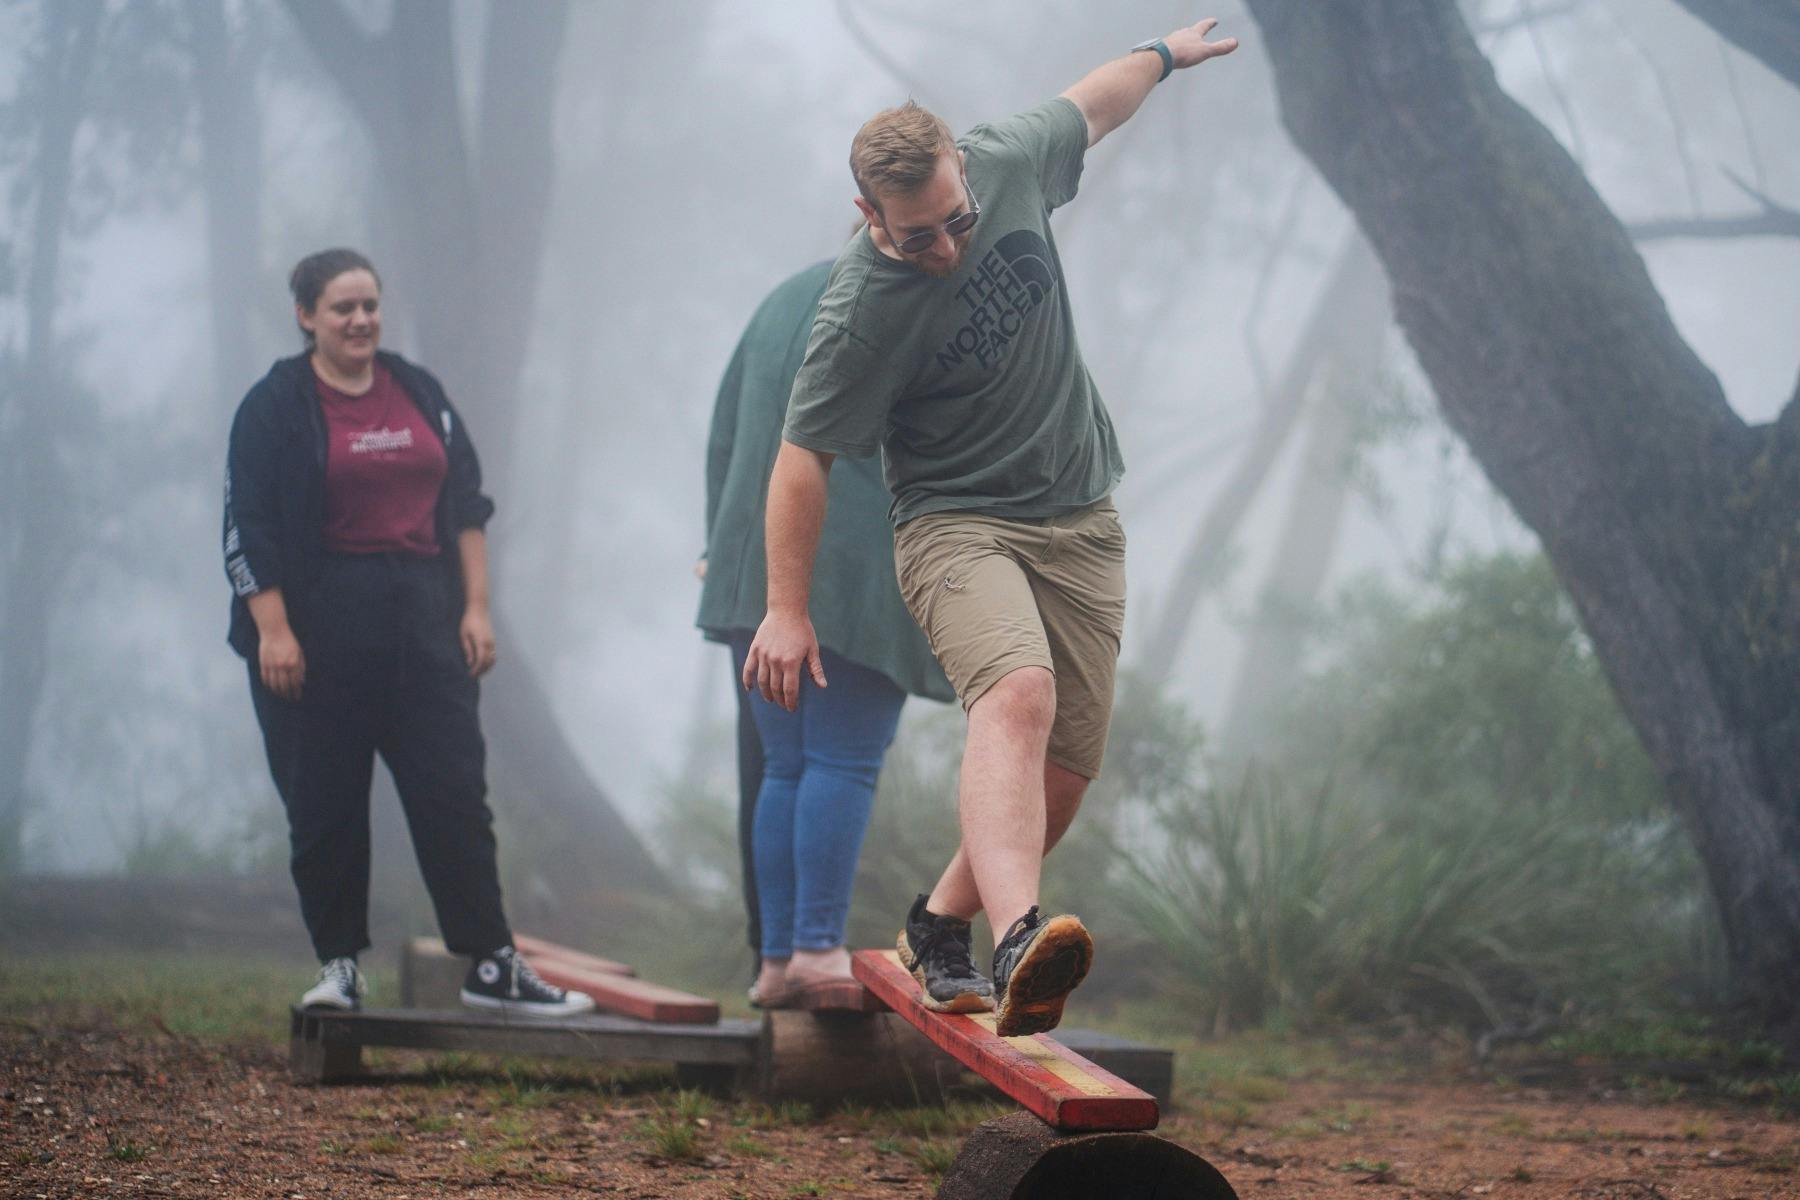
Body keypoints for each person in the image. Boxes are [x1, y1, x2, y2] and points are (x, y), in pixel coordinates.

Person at [744, 21, 1240, 1035]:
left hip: (1079, 511)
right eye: (916, 233)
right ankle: (1020, 937)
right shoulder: (854, 317)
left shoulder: (1006, 161)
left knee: (1064, 771)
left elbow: (1094, 104)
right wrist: (786, 609)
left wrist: (1163, 53)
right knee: (1017, 695)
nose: (945, 247)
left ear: (963, 174)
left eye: (955, 222)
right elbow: (802, 460)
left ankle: (937, 926)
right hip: (955, 524)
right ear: (867, 213)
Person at [223, 247, 594, 1018]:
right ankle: (339, 969)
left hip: (424, 624)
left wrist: (478, 609)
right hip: (319, 633)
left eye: (370, 306)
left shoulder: (418, 391)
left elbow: (467, 504)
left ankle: (492, 963)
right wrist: (274, 632)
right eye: (342, 309)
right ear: (306, 318)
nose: (360, 321)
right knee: (324, 806)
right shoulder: (275, 405)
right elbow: (246, 526)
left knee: (455, 794)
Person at [699, 261, 956, 1008]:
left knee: (786, 768)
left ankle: (779, 962)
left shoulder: (779, 298)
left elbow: (723, 435)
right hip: (849, 571)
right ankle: (816, 948)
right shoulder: (901, 303)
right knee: (841, 761)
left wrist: (719, 545)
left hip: (752, 568)